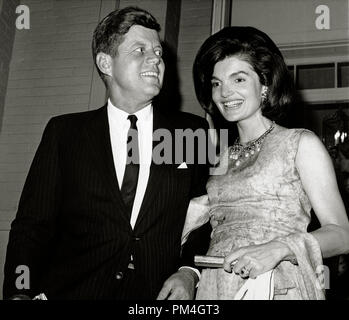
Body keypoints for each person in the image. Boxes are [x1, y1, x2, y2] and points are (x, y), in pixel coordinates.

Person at [3, 6, 210, 300]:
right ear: (106, 63)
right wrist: (19, 293)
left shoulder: (194, 132)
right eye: (139, 50)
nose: (155, 59)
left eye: (158, 52)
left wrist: (190, 271)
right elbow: (31, 226)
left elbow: (213, 216)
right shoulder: (64, 133)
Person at [160, 26, 349, 300]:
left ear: (265, 85)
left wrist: (280, 248)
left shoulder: (299, 144)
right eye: (216, 83)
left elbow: (343, 235)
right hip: (214, 287)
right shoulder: (217, 158)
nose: (225, 92)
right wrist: (187, 271)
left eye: (238, 79)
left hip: (277, 285)